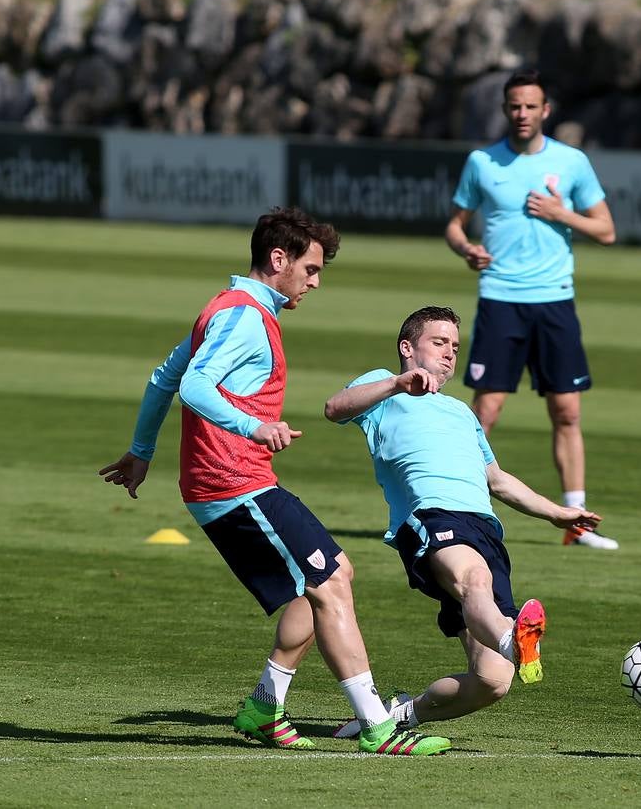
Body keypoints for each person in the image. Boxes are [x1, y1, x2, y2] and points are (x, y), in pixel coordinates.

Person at [99, 208, 451, 756]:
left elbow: (161, 379)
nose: (316, 282)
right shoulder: (243, 316)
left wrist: (142, 452)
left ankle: (266, 704)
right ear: (278, 260)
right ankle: (378, 727)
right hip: (232, 482)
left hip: (234, 481)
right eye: (310, 269)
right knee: (329, 583)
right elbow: (193, 386)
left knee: (327, 578)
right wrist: (255, 426)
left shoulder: (225, 306)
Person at [323, 306, 603, 736]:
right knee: (474, 578)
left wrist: (558, 513)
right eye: (439, 342)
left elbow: (496, 479)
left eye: (455, 346)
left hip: (485, 529)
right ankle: (512, 639)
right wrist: (396, 383)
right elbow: (335, 408)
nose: (450, 353)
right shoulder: (383, 390)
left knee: (492, 681)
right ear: (407, 347)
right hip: (431, 516)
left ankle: (399, 715)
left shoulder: (461, 412)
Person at [445, 69, 619, 549]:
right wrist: (467, 250)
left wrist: (561, 213)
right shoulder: (482, 162)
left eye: (530, 106)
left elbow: (606, 230)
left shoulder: (572, 162)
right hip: (501, 299)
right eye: (514, 106)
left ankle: (578, 524)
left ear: (546, 111)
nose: (522, 114)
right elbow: (455, 225)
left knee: (566, 412)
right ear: (506, 110)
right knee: (486, 411)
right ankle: (458, 506)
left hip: (554, 300)